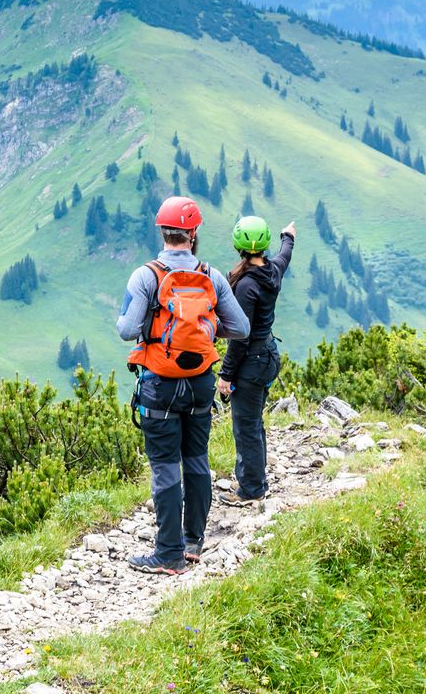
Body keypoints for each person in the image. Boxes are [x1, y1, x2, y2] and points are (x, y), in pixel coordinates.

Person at [116, 196, 250, 574]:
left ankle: (168, 553)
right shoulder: (212, 276)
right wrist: (206, 330)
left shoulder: (146, 275)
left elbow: (126, 330)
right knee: (196, 461)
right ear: (193, 234)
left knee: (164, 467)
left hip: (160, 383)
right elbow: (241, 328)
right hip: (200, 384)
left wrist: (154, 331)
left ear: (163, 231)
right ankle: (193, 542)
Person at [216, 215, 296, 506]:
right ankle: (256, 480)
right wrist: (288, 235)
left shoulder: (245, 286)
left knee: (246, 425)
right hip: (269, 354)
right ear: (264, 245)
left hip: (251, 360)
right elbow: (285, 252)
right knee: (254, 420)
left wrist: (225, 375)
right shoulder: (273, 270)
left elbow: (241, 336)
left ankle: (251, 489)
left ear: (237, 245)